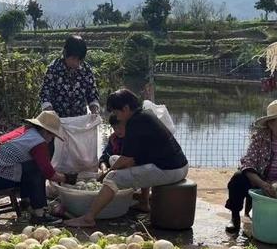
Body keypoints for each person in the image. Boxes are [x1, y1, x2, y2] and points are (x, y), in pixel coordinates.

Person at [65, 88, 188, 228]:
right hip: (176, 165)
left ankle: (88, 218)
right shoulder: (144, 115)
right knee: (113, 160)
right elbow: (131, 158)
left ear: (126, 108)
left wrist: (106, 173)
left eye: (116, 112)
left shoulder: (134, 123)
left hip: (170, 170)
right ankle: (143, 202)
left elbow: (126, 160)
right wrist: (111, 167)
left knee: (113, 178)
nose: (116, 116)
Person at [0, 111, 68, 225]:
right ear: (45, 130)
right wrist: (68, 179)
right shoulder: (38, 142)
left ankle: (26, 203)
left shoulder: (26, 131)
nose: (52, 139)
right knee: (37, 170)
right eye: (52, 135)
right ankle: (39, 213)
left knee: (30, 167)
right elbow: (49, 174)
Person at [224, 99, 277, 234]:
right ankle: (235, 216)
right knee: (238, 179)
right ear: (271, 124)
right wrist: (262, 184)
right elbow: (248, 163)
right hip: (261, 180)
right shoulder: (259, 139)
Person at [39, 35, 101, 118]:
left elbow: (92, 94)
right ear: (65, 53)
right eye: (73, 58)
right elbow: (45, 94)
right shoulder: (54, 69)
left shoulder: (86, 70)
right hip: (58, 121)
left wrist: (94, 110)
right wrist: (50, 113)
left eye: (79, 60)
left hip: (79, 120)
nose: (76, 63)